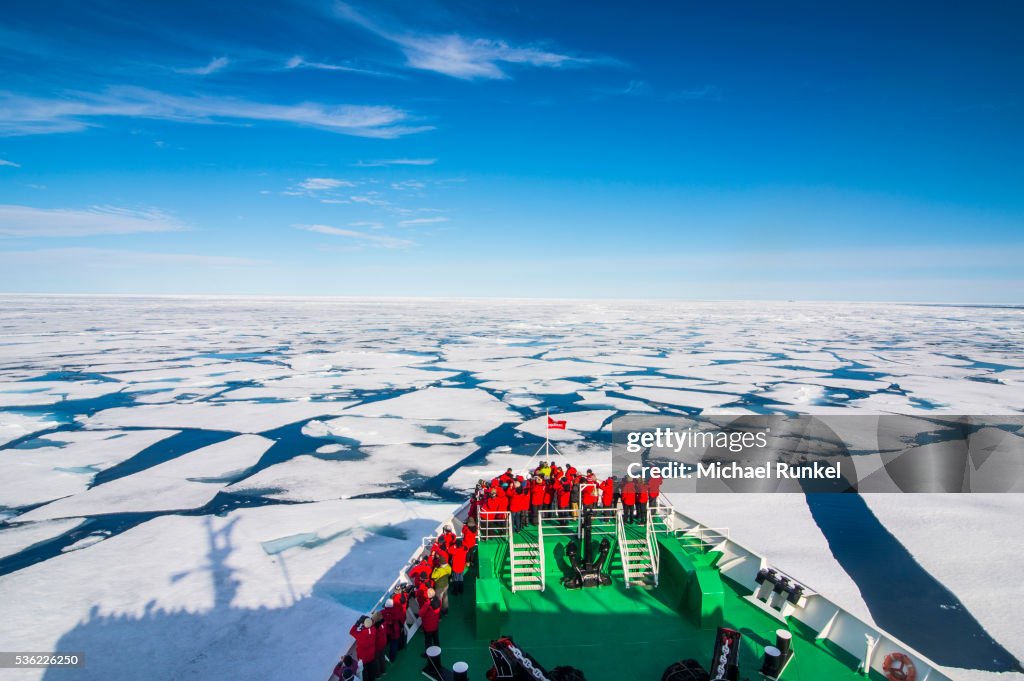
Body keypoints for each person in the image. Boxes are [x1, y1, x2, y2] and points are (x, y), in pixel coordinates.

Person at [349, 616, 378, 681]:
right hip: (371, 655)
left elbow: (351, 632)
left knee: (364, 672)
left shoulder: (360, 634)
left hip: (363, 658)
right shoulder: (374, 630)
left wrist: (357, 623)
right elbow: (370, 626)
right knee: (371, 670)